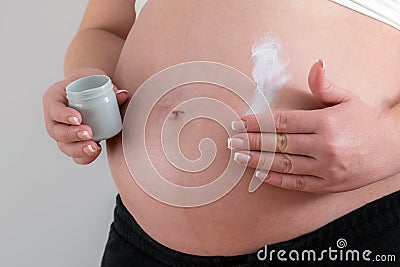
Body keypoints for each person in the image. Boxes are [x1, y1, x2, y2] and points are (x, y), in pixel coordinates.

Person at [42, 0, 400, 266]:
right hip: (140, 243)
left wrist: (390, 142)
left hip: (342, 236)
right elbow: (104, 28)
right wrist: (84, 82)